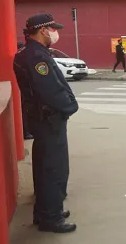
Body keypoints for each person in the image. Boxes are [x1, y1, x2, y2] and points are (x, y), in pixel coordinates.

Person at [13, 14, 78, 233]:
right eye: (53, 29)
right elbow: (51, 90)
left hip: (41, 119)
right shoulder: (36, 57)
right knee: (53, 169)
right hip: (49, 119)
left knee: (44, 168)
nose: (55, 33)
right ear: (43, 30)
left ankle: (46, 211)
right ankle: (51, 218)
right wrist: (70, 106)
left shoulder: (29, 54)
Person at [18, 42, 34, 141]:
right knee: (23, 112)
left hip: (24, 91)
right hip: (22, 91)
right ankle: (25, 132)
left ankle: (26, 131)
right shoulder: (20, 59)